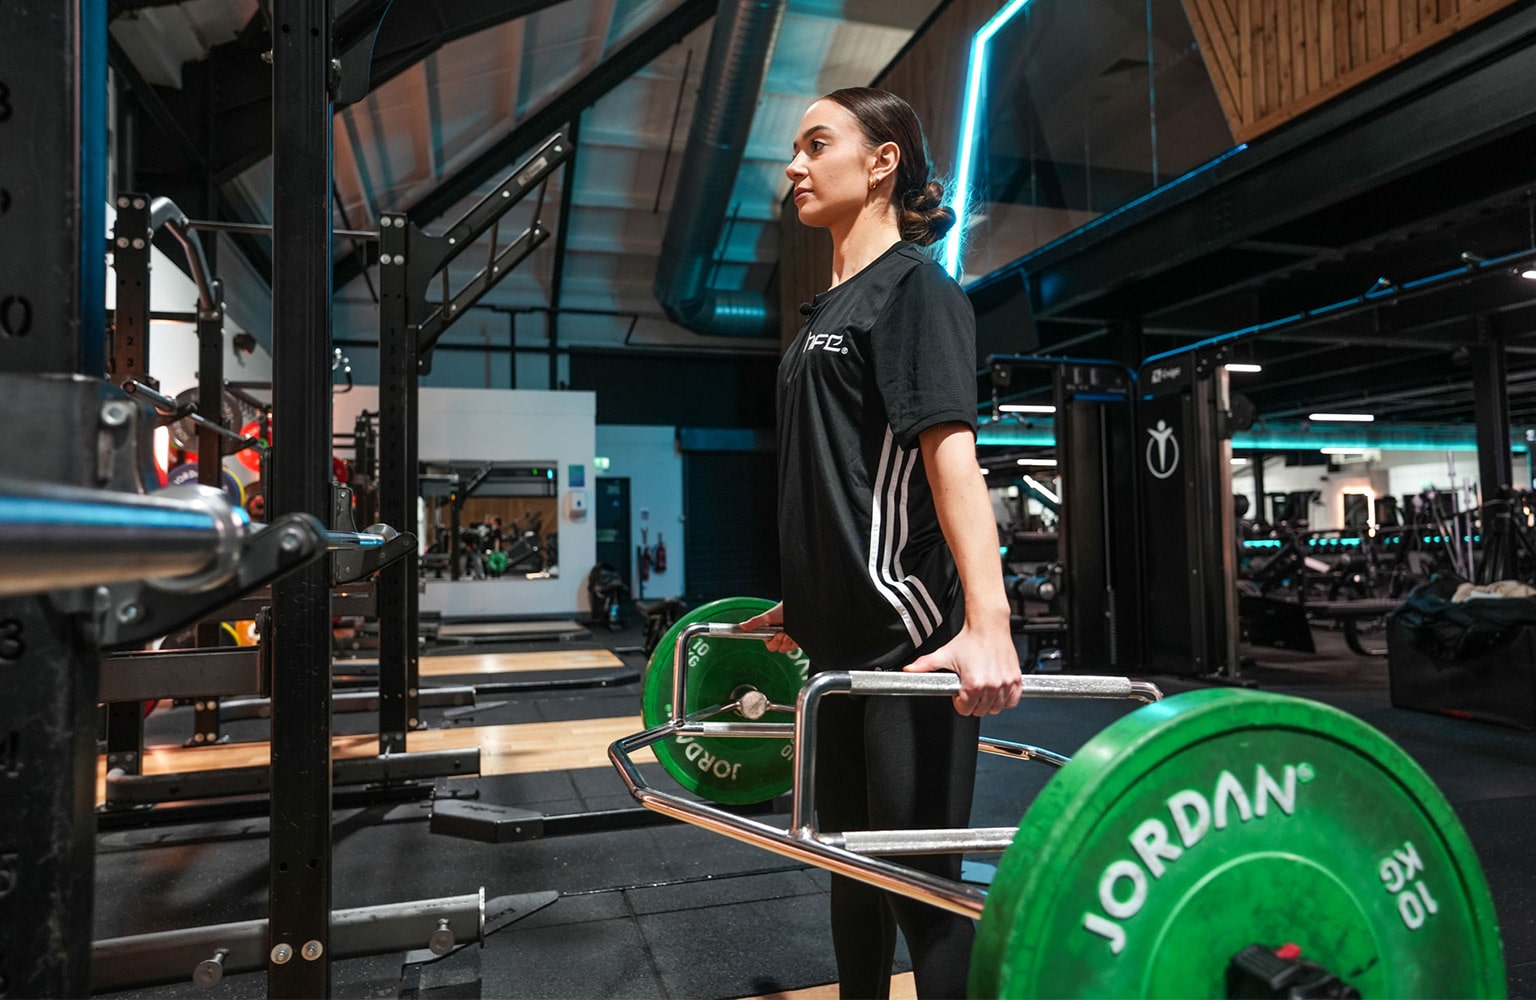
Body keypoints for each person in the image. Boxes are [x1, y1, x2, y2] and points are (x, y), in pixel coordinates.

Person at [742, 87, 1022, 999]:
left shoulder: (914, 291)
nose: (795, 165)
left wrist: (990, 625)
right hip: (836, 645)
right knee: (849, 867)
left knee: (920, 894)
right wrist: (811, 596)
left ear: (882, 161)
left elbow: (951, 460)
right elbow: (842, 477)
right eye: (795, 148)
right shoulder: (824, 309)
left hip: (909, 647)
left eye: (816, 144)